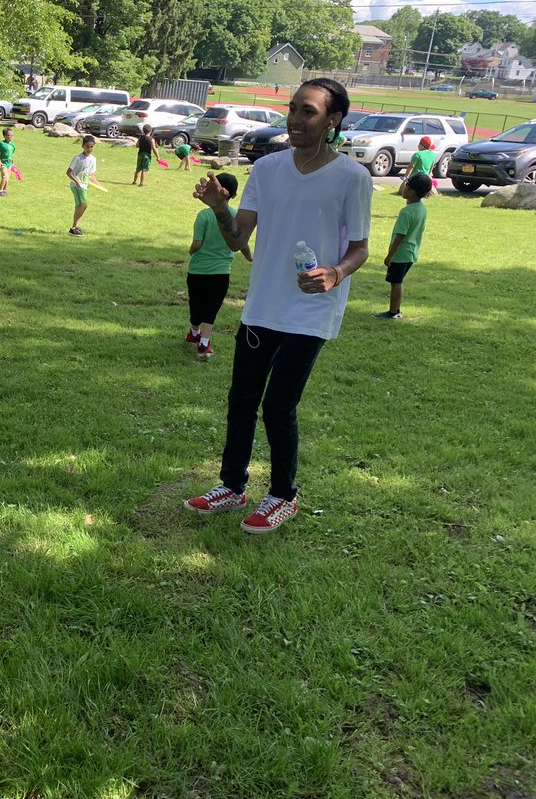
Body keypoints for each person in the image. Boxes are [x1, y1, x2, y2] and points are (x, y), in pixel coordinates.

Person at [184, 78, 371, 534]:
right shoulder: (267, 169)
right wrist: (220, 209)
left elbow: (360, 249)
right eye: (292, 109)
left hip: (310, 310)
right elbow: (237, 239)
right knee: (241, 400)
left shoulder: (353, 177)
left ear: (333, 120)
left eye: (308, 111)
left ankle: (283, 495)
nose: (295, 119)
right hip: (263, 306)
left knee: (278, 405)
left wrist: (336, 272)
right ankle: (232, 486)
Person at [185, 171, 252, 360]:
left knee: (196, 303)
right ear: (234, 194)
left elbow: (197, 243)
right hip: (221, 272)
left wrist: (191, 251)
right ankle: (203, 341)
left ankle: (195, 333)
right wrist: (249, 256)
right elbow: (242, 243)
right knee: (212, 305)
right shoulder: (235, 216)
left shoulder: (203, 216)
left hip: (197, 270)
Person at [376, 173, 430, 320]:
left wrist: (390, 255)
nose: (403, 188)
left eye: (406, 186)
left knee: (395, 282)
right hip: (411, 252)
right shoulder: (421, 208)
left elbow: (400, 236)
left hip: (401, 254)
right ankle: (397, 309)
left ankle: (393, 312)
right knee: (397, 281)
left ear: (411, 191)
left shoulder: (406, 212)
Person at [66, 135, 105, 236]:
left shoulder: (93, 159)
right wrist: (77, 182)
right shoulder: (78, 158)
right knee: (84, 205)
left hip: (84, 186)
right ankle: (74, 227)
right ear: (82, 146)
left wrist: (99, 185)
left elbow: (91, 175)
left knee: (79, 206)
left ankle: (74, 228)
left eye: (92, 147)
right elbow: (69, 172)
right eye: (87, 147)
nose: (89, 149)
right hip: (76, 185)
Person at [0, 128, 16, 197]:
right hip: (3, 163)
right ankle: (0, 191)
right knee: (5, 176)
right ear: (4, 136)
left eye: (12, 135)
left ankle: (4, 191)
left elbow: (12, 154)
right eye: (9, 135)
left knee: (7, 179)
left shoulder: (13, 144)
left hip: (9, 164)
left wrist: (13, 162)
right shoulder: (1, 144)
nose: (11, 137)